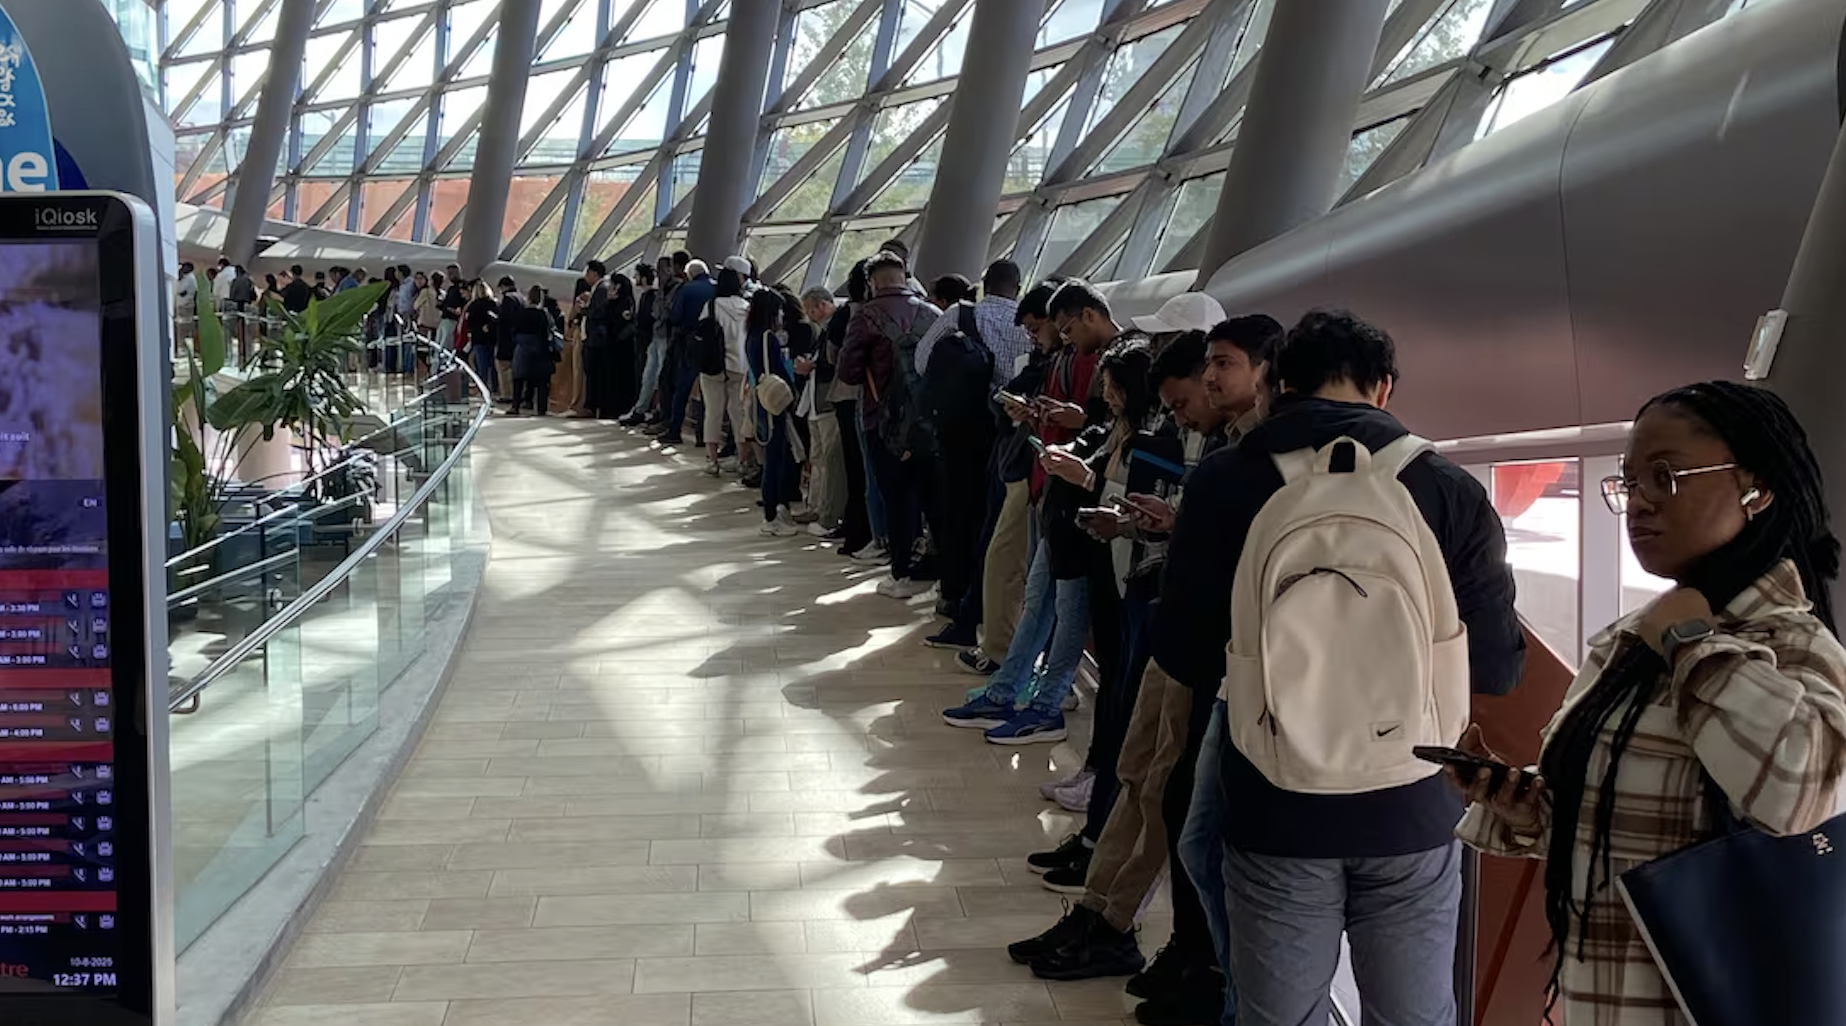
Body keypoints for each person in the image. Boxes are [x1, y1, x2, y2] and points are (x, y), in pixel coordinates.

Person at [1159, 309, 1525, 1026]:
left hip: (1273, 803)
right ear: (1382, 388)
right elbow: (1497, 668)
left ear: (1275, 384)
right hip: (1413, 804)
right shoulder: (1447, 488)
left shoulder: (1224, 480)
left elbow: (1181, 651)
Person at [1456, 381, 1846, 1026]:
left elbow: (1798, 797)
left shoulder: (1788, 644)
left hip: (1700, 1002)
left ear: (1758, 488)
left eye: (1664, 477)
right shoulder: (1633, 644)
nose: (1637, 503)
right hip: (1602, 997)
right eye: (1629, 482)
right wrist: (1516, 800)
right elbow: (1621, 827)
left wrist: (1694, 642)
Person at [916, 259, 1035, 650]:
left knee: (958, 511)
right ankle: (987, 604)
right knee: (994, 522)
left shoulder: (960, 314)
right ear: (1016, 288)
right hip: (1006, 428)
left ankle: (954, 593)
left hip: (960, 429)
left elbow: (923, 362)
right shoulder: (1028, 323)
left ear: (985, 286)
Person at [956, 278, 1064, 677]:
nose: (1034, 339)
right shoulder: (1051, 360)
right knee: (1023, 571)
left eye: (1037, 329)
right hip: (1032, 469)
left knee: (1012, 565)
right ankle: (1021, 659)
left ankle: (1011, 657)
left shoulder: (1061, 361)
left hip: (1036, 472)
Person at [837, 250, 942, 598]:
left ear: (871, 282)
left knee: (896, 498)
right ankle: (939, 573)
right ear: (905, 274)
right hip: (930, 423)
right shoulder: (933, 313)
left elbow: (848, 371)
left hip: (882, 421)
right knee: (932, 499)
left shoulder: (866, 316)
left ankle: (901, 573)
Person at [745, 289, 803, 536]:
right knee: (776, 459)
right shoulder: (768, 337)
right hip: (775, 403)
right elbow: (777, 369)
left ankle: (774, 513)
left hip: (760, 400)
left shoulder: (751, 337)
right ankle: (774, 514)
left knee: (772, 456)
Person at [798, 286, 846, 537]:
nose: (809, 315)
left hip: (827, 402)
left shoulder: (836, 328)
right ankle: (815, 504)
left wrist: (813, 365)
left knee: (828, 459)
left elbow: (834, 363)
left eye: (811, 309)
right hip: (817, 401)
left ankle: (827, 509)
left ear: (823, 305)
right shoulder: (824, 332)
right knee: (817, 456)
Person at [700, 263, 754, 478]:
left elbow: (701, 331)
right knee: (738, 412)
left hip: (713, 364)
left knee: (713, 411)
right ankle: (741, 461)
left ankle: (713, 461)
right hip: (739, 365)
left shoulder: (712, 305)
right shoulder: (747, 307)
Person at [657, 255, 714, 445]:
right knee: (707, 393)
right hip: (711, 345)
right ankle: (702, 435)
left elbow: (675, 315)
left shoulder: (686, 289)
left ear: (689, 274)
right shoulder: (716, 289)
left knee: (682, 388)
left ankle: (674, 430)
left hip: (688, 342)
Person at [579, 260, 620, 419]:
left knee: (594, 374)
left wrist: (584, 310)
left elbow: (598, 312)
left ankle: (592, 405)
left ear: (594, 274)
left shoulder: (601, 289)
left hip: (596, 338)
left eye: (588, 273)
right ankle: (592, 404)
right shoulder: (598, 289)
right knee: (591, 373)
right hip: (593, 337)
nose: (586, 276)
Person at [509, 285, 556, 416]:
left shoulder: (520, 313)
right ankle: (541, 409)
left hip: (522, 348)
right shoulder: (543, 314)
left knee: (518, 378)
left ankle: (515, 406)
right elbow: (549, 331)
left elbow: (513, 331)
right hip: (539, 348)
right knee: (542, 381)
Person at [465, 282, 500, 394]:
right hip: (492, 338)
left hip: (478, 338)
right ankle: (495, 387)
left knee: (481, 365)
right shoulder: (494, 304)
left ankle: (482, 388)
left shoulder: (473, 305)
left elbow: (468, 321)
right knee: (493, 365)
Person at [494, 276, 521, 403]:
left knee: (503, 368)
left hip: (506, 340)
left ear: (503, 286)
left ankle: (507, 395)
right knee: (514, 368)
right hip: (518, 339)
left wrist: (494, 319)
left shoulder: (508, 299)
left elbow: (504, 320)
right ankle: (515, 395)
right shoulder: (521, 298)